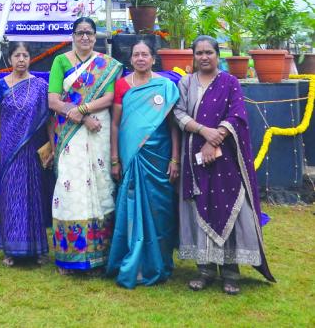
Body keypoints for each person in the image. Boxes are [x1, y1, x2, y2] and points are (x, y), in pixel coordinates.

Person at [173, 35, 275, 294]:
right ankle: (204, 269)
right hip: (194, 157)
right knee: (199, 207)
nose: (204, 57)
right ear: (193, 57)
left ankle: (231, 272)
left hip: (226, 158)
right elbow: (178, 113)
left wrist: (215, 138)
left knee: (229, 206)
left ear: (217, 55)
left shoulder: (230, 82)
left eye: (209, 52)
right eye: (199, 53)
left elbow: (237, 115)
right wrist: (204, 132)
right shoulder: (186, 83)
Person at [48, 16, 121, 273]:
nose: (85, 38)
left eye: (89, 33)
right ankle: (70, 257)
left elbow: (111, 96)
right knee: (71, 188)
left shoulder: (106, 65)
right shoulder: (60, 61)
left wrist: (84, 110)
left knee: (100, 184)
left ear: (95, 36)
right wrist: (78, 115)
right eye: (80, 33)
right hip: (70, 133)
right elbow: (54, 101)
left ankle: (102, 255)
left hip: (97, 130)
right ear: (73, 36)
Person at [107, 39, 180, 288]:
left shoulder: (165, 86)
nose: (140, 58)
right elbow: (115, 124)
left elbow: (174, 127)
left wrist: (175, 158)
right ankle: (133, 264)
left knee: (160, 212)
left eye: (145, 55)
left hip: (159, 158)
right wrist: (115, 159)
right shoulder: (121, 86)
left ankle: (157, 263)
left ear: (152, 59)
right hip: (131, 158)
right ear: (131, 60)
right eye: (136, 54)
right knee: (130, 209)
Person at [0, 41, 50, 266]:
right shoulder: (0, 86)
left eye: (25, 55)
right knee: (10, 197)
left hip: (32, 151)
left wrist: (52, 146)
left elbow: (49, 120)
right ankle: (11, 250)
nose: (21, 60)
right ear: (9, 59)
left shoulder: (41, 86)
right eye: (17, 55)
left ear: (30, 58)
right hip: (8, 151)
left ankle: (36, 248)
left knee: (32, 196)